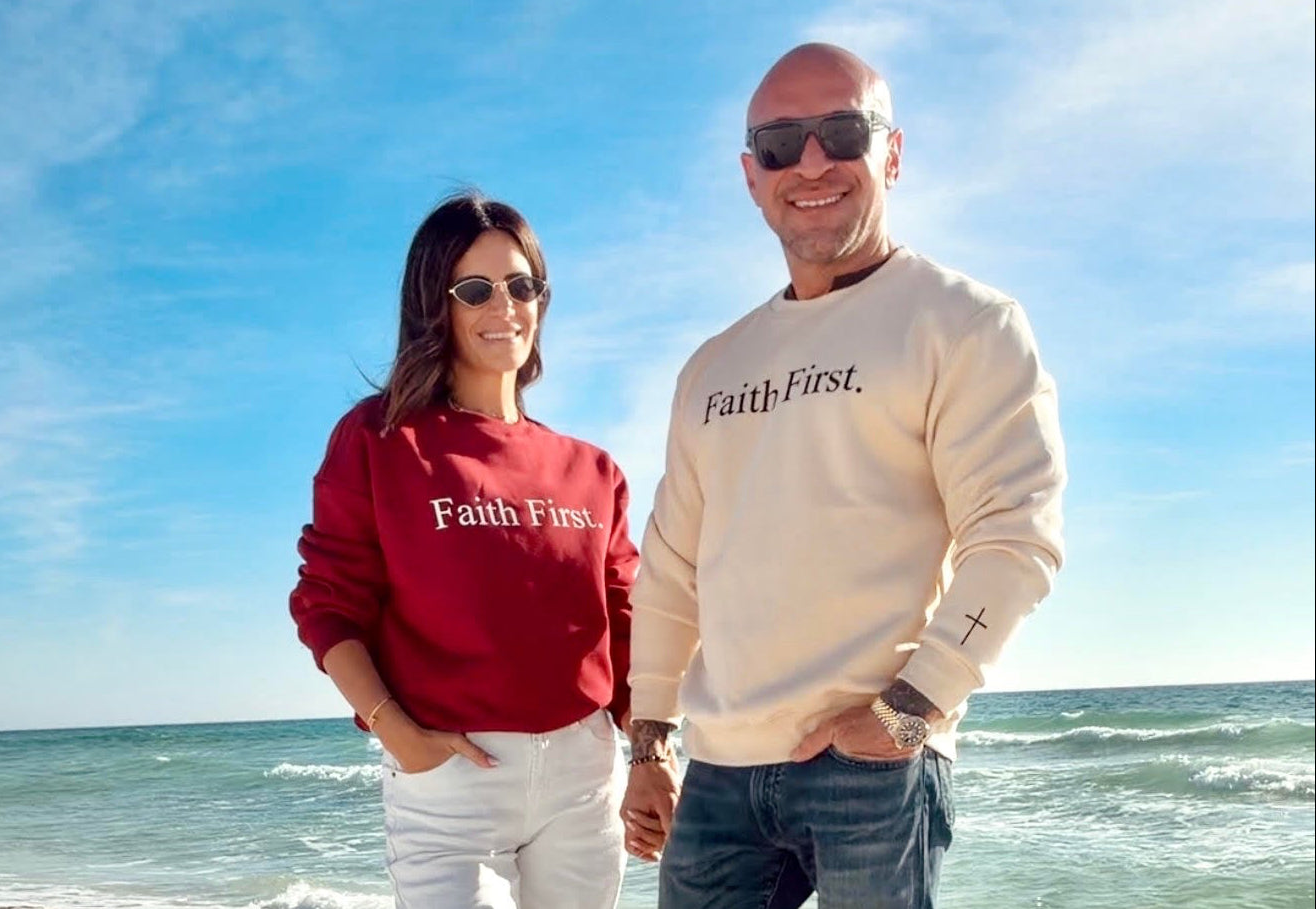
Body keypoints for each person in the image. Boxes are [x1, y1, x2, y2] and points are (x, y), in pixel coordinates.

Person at [620, 43, 1067, 909]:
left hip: (874, 766)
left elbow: (1016, 537)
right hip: (719, 772)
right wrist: (650, 743)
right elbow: (671, 570)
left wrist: (912, 708)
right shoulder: (712, 365)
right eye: (781, 144)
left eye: (843, 132)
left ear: (891, 154)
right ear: (752, 176)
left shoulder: (966, 323)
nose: (813, 162)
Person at [288, 191, 638, 909]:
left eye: (521, 285)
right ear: (434, 306)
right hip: (450, 781)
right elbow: (328, 605)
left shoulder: (593, 469)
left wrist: (657, 753)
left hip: (584, 779)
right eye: (474, 290)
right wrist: (395, 731)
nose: (503, 306)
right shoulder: (381, 438)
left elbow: (627, 622)